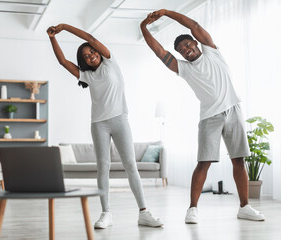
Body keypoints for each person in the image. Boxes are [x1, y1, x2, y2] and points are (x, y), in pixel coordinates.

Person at [140, 9, 265, 224]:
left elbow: (194, 25)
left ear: (196, 43)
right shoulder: (184, 69)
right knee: (203, 163)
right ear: (180, 54)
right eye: (181, 50)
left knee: (239, 160)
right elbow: (159, 52)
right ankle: (192, 209)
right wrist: (143, 27)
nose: (186, 50)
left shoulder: (212, 52)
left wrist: (166, 12)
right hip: (210, 117)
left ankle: (244, 207)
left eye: (188, 45)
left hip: (234, 110)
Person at [47, 24, 163, 229]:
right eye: (86, 55)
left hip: (120, 120)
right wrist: (52, 38)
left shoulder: (110, 62)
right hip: (99, 124)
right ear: (83, 61)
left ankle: (144, 213)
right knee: (103, 166)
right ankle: (106, 213)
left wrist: (64, 27)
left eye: (92, 51)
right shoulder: (87, 76)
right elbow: (63, 61)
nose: (91, 55)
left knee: (130, 165)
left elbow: (90, 38)